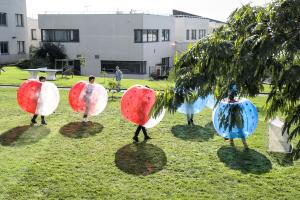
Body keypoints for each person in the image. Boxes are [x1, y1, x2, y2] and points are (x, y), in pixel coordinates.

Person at [224, 84, 249, 150]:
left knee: (230, 128)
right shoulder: (237, 102)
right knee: (240, 129)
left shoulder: (228, 103)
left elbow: (226, 110)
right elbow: (240, 109)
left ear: (229, 97)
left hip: (233, 117)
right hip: (237, 117)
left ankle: (231, 140)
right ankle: (245, 144)